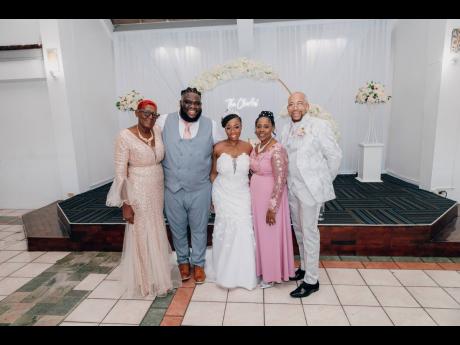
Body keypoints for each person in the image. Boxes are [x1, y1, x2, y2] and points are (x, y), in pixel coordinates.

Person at [106, 99, 181, 298]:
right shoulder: (124, 136)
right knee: (141, 231)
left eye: (153, 114)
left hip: (157, 189)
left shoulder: (157, 130)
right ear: (137, 113)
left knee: (155, 228)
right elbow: (120, 173)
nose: (150, 118)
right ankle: (145, 281)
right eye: (146, 113)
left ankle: (159, 276)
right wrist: (126, 203)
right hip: (137, 190)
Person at [155, 87, 225, 284]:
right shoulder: (163, 121)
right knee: (177, 229)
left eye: (197, 103)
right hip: (172, 189)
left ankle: (199, 264)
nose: (193, 107)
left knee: (199, 229)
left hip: (200, 188)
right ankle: (183, 262)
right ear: (181, 103)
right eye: (188, 102)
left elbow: (222, 151)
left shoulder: (210, 125)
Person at [279, 92, 342, 298]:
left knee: (310, 232)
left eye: (299, 103)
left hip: (310, 190)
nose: (295, 107)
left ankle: (312, 280)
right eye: (291, 104)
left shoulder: (319, 125)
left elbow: (334, 155)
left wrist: (322, 181)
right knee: (298, 230)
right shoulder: (285, 128)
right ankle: (305, 267)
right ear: (287, 108)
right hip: (293, 187)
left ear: (306, 106)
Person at [205, 113, 257, 290]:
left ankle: (244, 273)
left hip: (243, 193)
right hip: (223, 193)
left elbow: (253, 172)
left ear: (241, 126)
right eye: (228, 127)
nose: (233, 130)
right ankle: (224, 271)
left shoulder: (249, 147)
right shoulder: (217, 148)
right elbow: (213, 173)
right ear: (224, 129)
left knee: (243, 228)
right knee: (225, 230)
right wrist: (214, 196)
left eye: (236, 126)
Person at [249, 111, 295, 289]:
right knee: (262, 235)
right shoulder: (257, 147)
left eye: (266, 126)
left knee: (270, 236)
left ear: (273, 128)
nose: (262, 130)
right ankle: (264, 269)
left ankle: (272, 275)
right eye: (259, 126)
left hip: (270, 199)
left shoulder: (277, 149)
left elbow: (280, 180)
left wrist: (272, 207)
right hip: (257, 197)